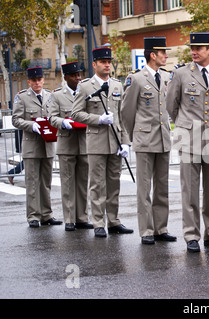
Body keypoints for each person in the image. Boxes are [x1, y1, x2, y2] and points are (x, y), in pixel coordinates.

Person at [166, 32, 209, 252]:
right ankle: (191, 235)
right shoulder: (181, 73)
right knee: (190, 190)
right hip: (189, 136)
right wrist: (184, 124)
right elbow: (171, 105)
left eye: (199, 48)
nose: (194, 52)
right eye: (192, 48)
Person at [71, 47, 133, 238]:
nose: (107, 65)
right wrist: (97, 119)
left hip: (115, 141)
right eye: (103, 62)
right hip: (97, 141)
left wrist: (126, 143)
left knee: (114, 183)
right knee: (97, 184)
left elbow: (122, 116)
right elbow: (76, 113)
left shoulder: (117, 85)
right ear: (94, 64)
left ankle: (113, 221)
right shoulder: (86, 86)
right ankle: (98, 222)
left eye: (109, 62)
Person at [121, 37, 176, 245]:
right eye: (163, 52)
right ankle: (146, 230)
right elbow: (126, 112)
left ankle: (161, 228)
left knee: (162, 187)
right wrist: (133, 136)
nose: (166, 55)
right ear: (152, 55)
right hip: (144, 140)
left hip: (163, 139)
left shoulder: (166, 76)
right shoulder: (136, 79)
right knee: (144, 188)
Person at [12, 67, 62, 227]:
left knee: (46, 182)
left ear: (43, 80)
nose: (37, 83)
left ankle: (46, 215)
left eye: (39, 80)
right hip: (32, 145)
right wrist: (31, 125)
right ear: (29, 82)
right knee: (32, 182)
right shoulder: (22, 98)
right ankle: (33, 216)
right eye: (34, 80)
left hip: (47, 145)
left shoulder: (49, 95)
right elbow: (16, 119)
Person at [48, 61, 93, 232]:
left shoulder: (85, 92)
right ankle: (69, 219)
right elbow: (51, 117)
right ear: (65, 77)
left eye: (79, 75)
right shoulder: (57, 95)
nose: (78, 78)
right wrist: (63, 122)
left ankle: (82, 217)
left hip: (84, 143)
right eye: (74, 76)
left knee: (82, 183)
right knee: (67, 183)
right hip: (66, 144)